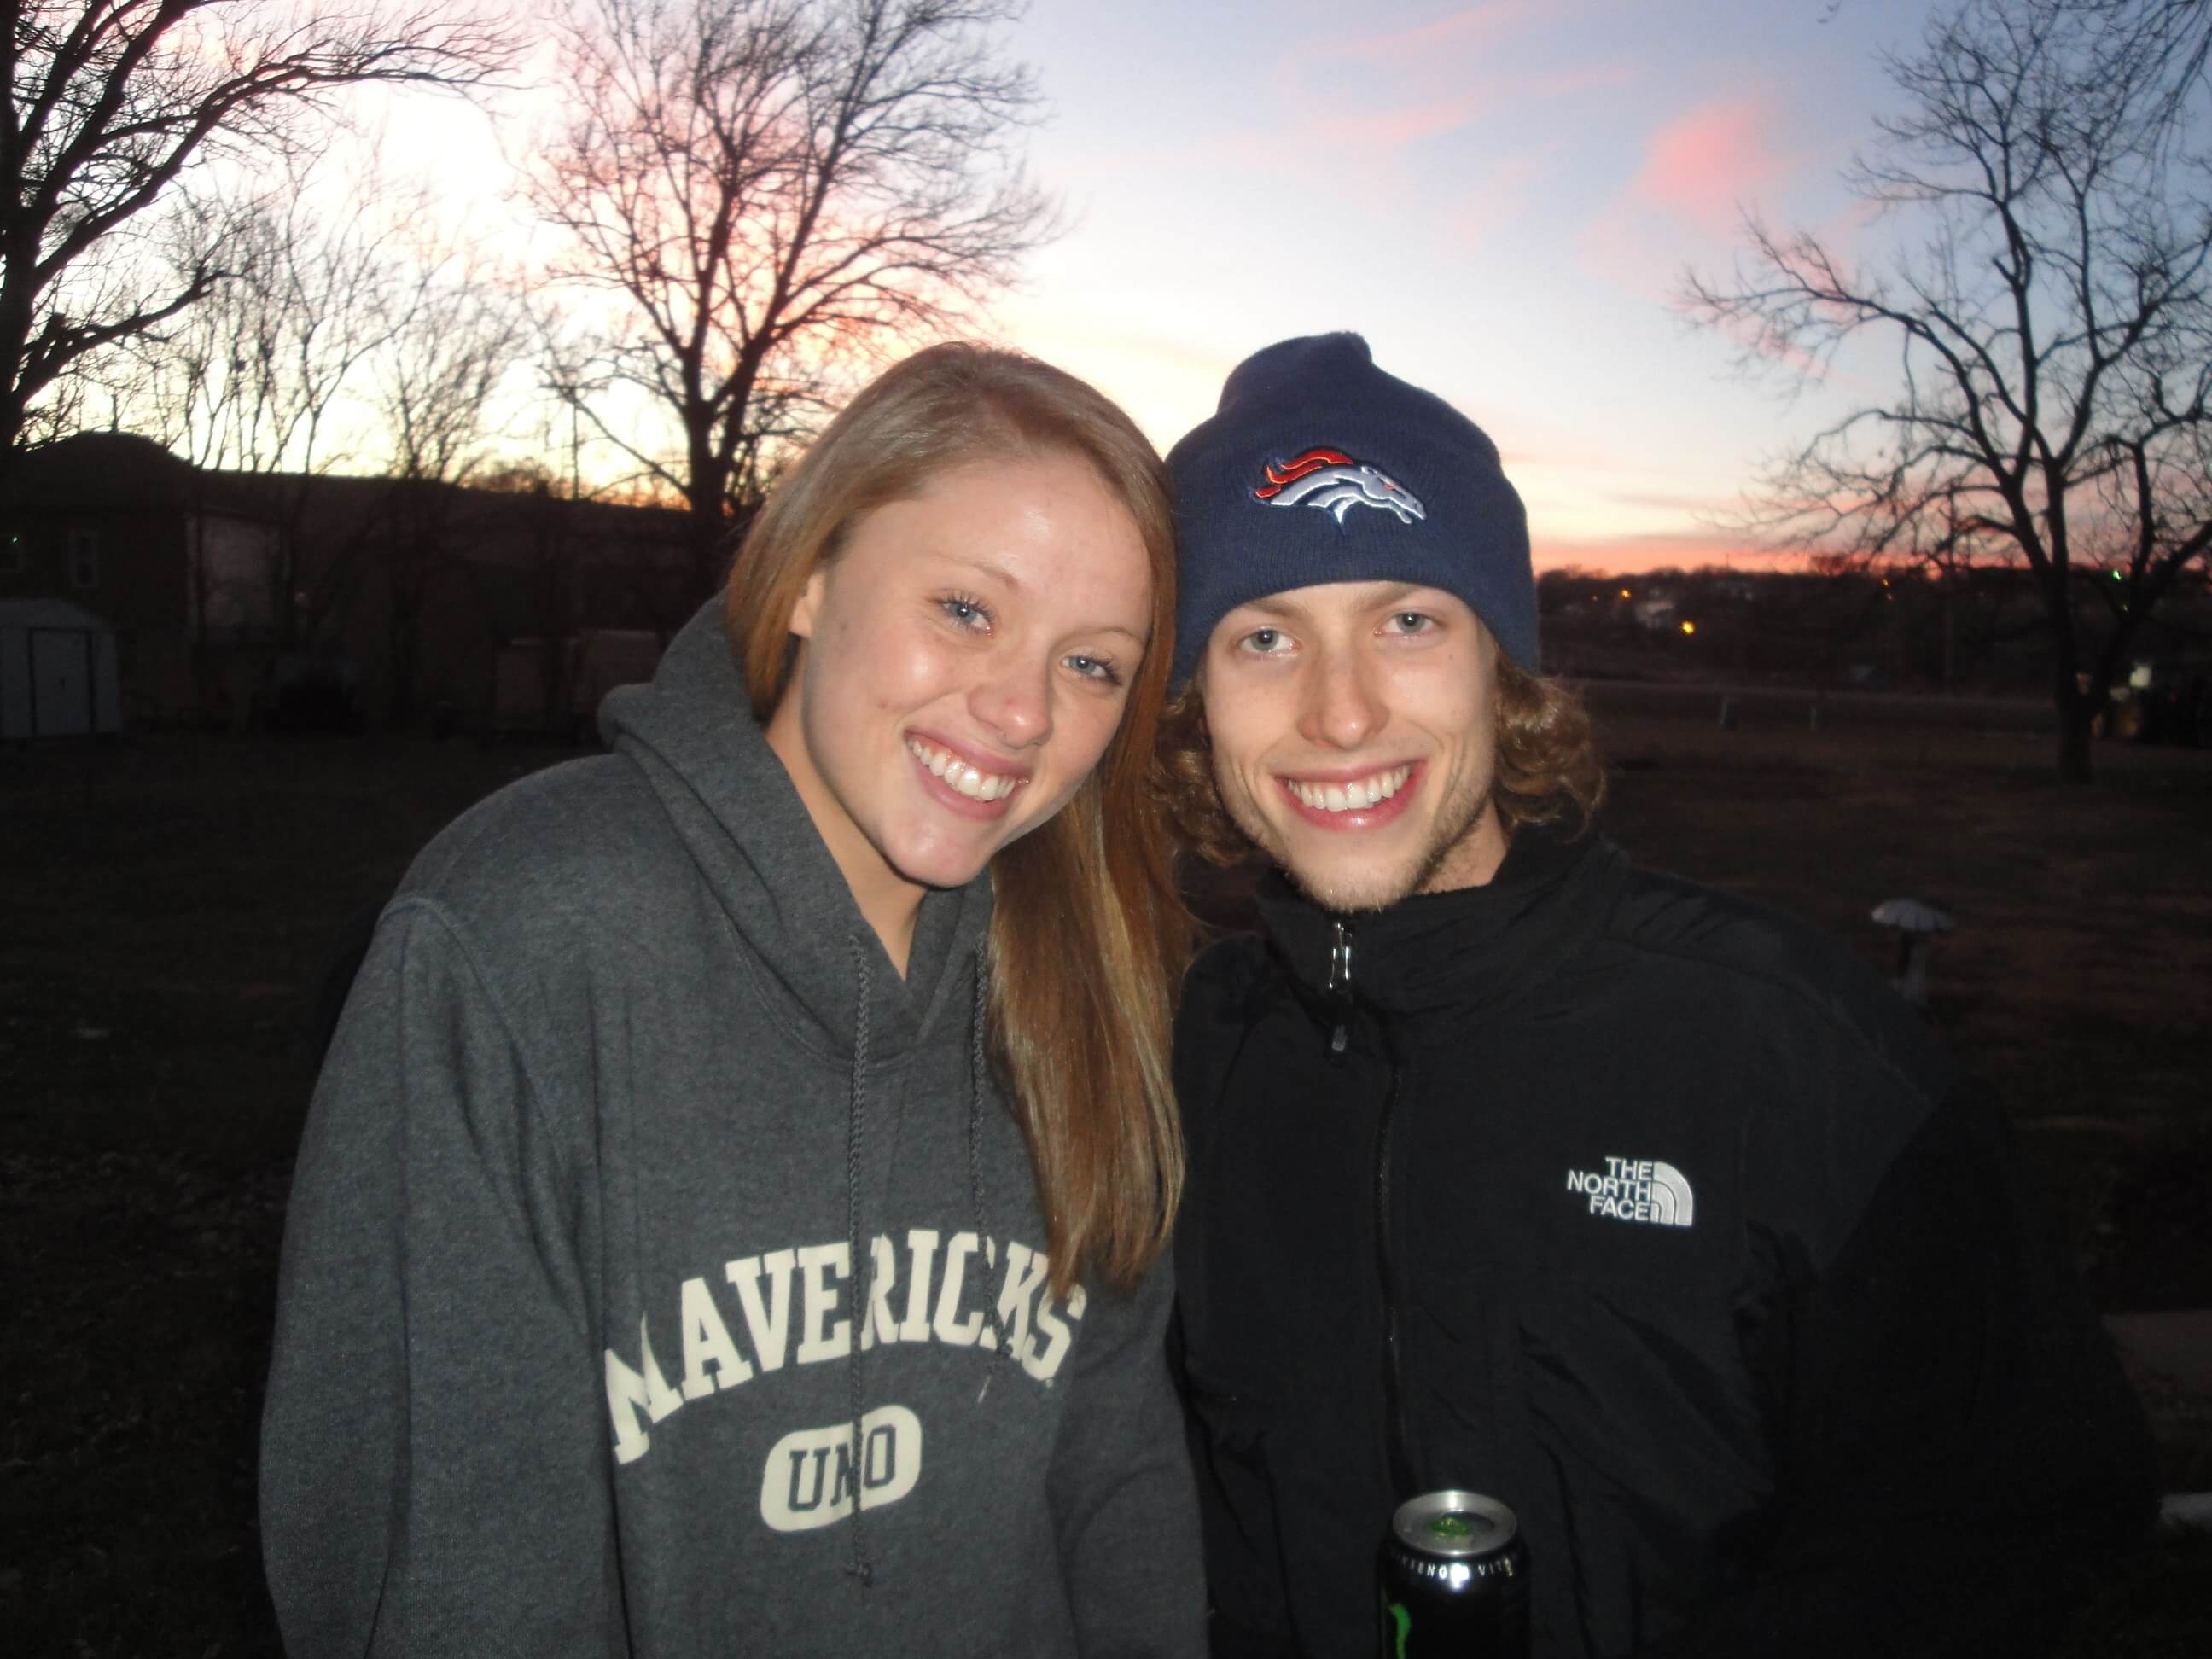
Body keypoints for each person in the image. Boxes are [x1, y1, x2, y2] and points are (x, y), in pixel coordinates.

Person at [1157, 333, 2157, 1658]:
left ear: (1500, 669)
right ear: (1196, 704)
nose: (1340, 715)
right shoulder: (1182, 1065)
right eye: (1264, 635)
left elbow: (2022, 1527)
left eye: (1407, 620)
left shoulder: (1791, 1051)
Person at [261, 343, 1206, 1656]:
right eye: (966, 610)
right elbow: (448, 1571)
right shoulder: (527, 933)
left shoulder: (1082, 976)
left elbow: (1121, 1475)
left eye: (1093, 664)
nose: (1018, 710)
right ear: (812, 574)